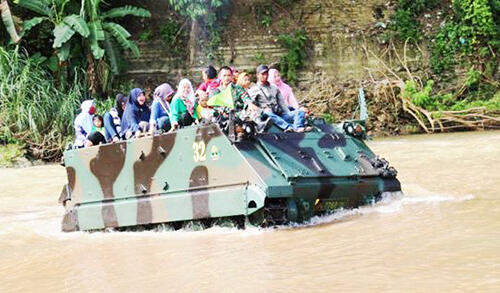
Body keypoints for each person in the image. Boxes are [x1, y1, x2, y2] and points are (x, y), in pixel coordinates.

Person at [248, 65, 311, 132]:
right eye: (263, 74)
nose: (265, 76)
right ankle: (288, 127)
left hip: (278, 114)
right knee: (267, 112)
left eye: (266, 73)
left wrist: (289, 113)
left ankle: (297, 127)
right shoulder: (253, 90)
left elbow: (282, 103)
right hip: (267, 116)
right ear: (257, 75)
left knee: (300, 111)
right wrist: (261, 110)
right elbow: (250, 105)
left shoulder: (274, 87)